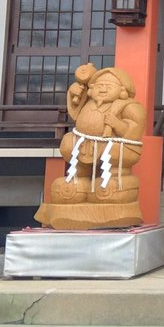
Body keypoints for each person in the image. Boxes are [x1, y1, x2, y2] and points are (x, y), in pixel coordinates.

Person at [36, 63, 146, 229]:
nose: (103, 89)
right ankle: (78, 177)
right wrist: (74, 92)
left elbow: (135, 130)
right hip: (84, 144)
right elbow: (75, 110)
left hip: (113, 147)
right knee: (68, 141)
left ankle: (113, 178)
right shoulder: (88, 102)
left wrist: (117, 124)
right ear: (92, 89)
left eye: (108, 86)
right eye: (99, 85)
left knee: (114, 154)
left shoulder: (128, 106)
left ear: (122, 90)